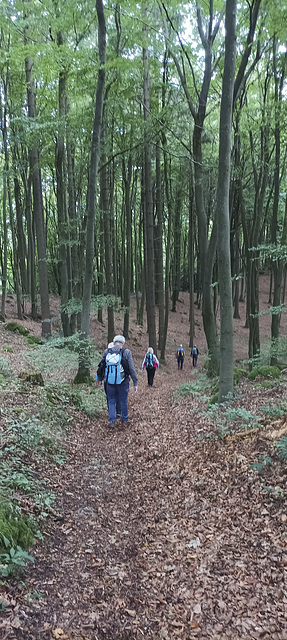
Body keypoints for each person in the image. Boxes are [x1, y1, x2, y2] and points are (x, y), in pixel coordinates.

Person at [100, 335, 137, 427]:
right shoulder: (126, 352)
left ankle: (112, 421)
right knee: (123, 400)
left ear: (114, 342)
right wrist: (135, 382)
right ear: (123, 343)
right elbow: (131, 368)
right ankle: (124, 420)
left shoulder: (107, 351)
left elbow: (101, 366)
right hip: (123, 382)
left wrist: (100, 378)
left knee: (111, 400)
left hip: (109, 382)